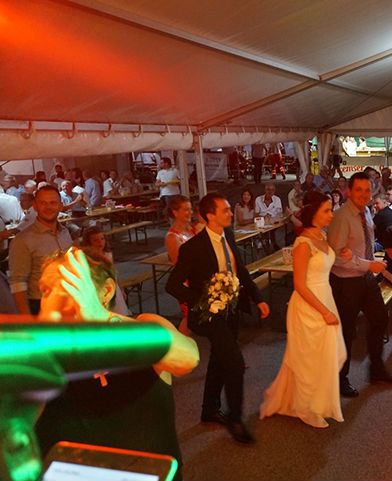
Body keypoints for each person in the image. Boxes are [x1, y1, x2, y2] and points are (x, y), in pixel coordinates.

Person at [33, 248, 198, 480]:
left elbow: (188, 358)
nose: (52, 300)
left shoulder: (144, 326)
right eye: (46, 291)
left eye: (69, 285)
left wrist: (98, 319)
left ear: (107, 291)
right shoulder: (42, 353)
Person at [166, 193, 270, 443]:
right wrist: (204, 299)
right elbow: (172, 285)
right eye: (225, 210)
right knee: (234, 363)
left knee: (219, 359)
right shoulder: (193, 247)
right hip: (209, 315)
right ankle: (235, 420)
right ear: (209, 215)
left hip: (231, 310)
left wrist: (258, 298)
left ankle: (209, 409)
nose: (231, 213)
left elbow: (240, 270)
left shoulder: (228, 236)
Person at [260, 192, 350, 428]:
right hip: (308, 303)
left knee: (323, 355)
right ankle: (306, 408)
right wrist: (324, 312)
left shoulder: (322, 235)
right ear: (313, 213)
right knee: (309, 358)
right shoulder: (303, 243)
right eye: (326, 211)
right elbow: (299, 285)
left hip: (325, 296)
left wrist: (342, 254)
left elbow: (324, 264)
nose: (331, 215)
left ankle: (309, 402)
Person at [327, 172, 392, 398]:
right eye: (358, 190)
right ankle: (340, 379)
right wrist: (369, 264)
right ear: (349, 191)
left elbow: (364, 245)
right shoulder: (341, 217)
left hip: (365, 278)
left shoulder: (367, 212)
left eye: (367, 190)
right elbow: (336, 256)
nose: (363, 195)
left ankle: (376, 369)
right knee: (346, 331)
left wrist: (370, 265)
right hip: (345, 281)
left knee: (380, 319)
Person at [9, 185, 73, 315]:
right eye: (43, 203)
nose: (48, 207)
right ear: (35, 206)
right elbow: (18, 283)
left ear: (60, 206)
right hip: (41, 307)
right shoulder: (23, 240)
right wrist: (26, 319)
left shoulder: (65, 233)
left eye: (53, 203)